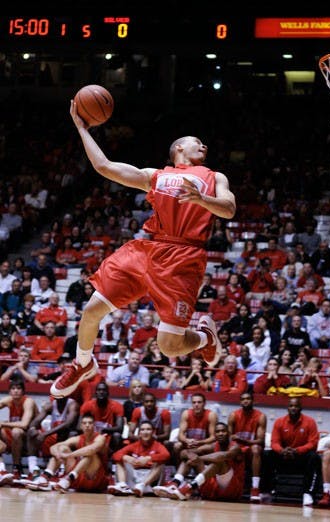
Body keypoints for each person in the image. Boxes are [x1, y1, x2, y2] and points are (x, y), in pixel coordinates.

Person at [50, 117, 235, 399]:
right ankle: (83, 364)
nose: (204, 146)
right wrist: (82, 129)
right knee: (91, 311)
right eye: (198, 142)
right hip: (148, 251)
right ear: (179, 148)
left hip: (184, 256)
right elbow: (105, 167)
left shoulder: (215, 177)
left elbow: (229, 209)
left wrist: (202, 200)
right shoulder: (156, 175)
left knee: (169, 347)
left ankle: (204, 338)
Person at [153, 422, 244, 502]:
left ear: (228, 433)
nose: (220, 434)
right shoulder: (212, 446)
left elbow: (222, 456)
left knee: (219, 462)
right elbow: (183, 453)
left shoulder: (235, 447)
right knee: (191, 458)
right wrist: (191, 456)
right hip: (214, 489)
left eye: (223, 431)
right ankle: (175, 484)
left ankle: (188, 488)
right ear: (214, 435)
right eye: (217, 432)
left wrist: (199, 458)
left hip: (233, 490)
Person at [261, 397, 321, 507]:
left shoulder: (310, 422)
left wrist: (297, 450)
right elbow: (274, 442)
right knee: (266, 454)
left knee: (314, 457)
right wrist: (282, 451)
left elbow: (313, 443)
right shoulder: (279, 422)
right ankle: (267, 490)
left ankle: (308, 493)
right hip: (284, 457)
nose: (293, 408)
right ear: (287, 408)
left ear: (301, 408)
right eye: (291, 406)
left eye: (296, 406)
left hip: (300, 458)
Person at [48, 413, 110, 493]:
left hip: (96, 479)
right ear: (81, 426)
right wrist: (58, 454)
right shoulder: (77, 438)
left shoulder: (100, 438)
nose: (87, 425)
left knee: (90, 455)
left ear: (94, 426)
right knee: (62, 448)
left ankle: (68, 479)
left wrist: (69, 455)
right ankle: (45, 477)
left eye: (90, 423)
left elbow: (91, 449)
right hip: (79, 477)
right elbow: (53, 447)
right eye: (84, 423)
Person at [24, 396, 80, 482]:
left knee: (64, 432)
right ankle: (33, 470)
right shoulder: (50, 405)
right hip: (53, 440)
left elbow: (68, 424)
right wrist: (33, 428)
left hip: (68, 442)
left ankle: (61, 471)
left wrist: (45, 434)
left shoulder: (72, 404)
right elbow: (35, 422)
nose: (60, 396)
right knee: (32, 433)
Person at [108, 420, 170, 497]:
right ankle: (123, 486)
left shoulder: (158, 445)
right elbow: (115, 455)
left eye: (148, 429)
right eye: (142, 430)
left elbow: (166, 455)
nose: (145, 432)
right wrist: (126, 457)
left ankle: (143, 485)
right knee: (120, 459)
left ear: (153, 432)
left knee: (160, 463)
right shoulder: (134, 445)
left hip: (150, 478)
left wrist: (149, 458)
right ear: (139, 433)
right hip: (135, 474)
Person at [228, 391, 267, 502]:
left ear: (252, 401)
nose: (245, 401)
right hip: (237, 449)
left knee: (255, 449)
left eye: (248, 398)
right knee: (231, 449)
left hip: (251, 448)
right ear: (240, 402)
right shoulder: (233, 415)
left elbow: (260, 440)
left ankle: (255, 487)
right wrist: (236, 443)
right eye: (243, 399)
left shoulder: (260, 416)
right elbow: (229, 437)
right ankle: (229, 485)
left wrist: (243, 441)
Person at [0, 379, 39, 480]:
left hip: (32, 437)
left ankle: (16, 467)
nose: (16, 391)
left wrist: (3, 423)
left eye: (18, 388)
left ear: (23, 391)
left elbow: (25, 424)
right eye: (13, 389)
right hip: (15, 438)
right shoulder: (8, 400)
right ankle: (1, 469)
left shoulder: (28, 402)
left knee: (16, 431)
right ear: (9, 392)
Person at [79, 381, 124, 451]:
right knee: (73, 433)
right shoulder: (87, 405)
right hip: (90, 434)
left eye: (104, 390)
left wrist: (103, 430)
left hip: (108, 436)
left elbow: (120, 428)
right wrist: (91, 432)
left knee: (117, 436)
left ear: (108, 393)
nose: (101, 392)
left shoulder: (117, 406)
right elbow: (78, 426)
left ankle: (114, 459)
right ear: (95, 393)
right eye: (99, 390)